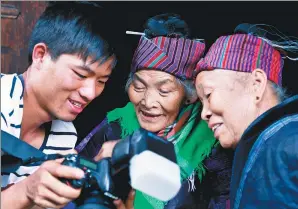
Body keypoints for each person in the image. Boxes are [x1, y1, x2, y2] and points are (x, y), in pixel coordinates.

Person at [76, 13, 234, 209]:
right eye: (139, 87)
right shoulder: (116, 126)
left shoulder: (211, 142)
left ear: (190, 95)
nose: (148, 102)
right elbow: (75, 179)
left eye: (164, 91)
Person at [1, 2, 134, 209]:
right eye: (80, 74)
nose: (90, 93)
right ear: (41, 56)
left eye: (101, 81)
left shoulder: (64, 138)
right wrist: (25, 191)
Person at [195, 23, 298, 209]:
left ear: (256, 84)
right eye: (201, 102)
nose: (204, 113)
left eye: (209, 95)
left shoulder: (287, 144)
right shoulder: (267, 145)